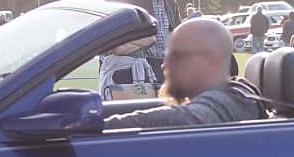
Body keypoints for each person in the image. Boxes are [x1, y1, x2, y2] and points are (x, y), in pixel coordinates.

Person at [104, 18, 262, 129]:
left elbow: (184, 118)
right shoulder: (239, 91)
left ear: (211, 60)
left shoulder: (229, 104)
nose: (164, 65)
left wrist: (99, 126)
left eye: (176, 56)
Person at [95, 0, 151, 97]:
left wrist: (130, 43)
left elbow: (152, 38)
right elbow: (119, 49)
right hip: (118, 76)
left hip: (139, 73)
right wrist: (139, 41)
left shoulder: (134, 15)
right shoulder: (105, 19)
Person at [131, 0, 181, 85]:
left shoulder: (171, 2)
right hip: (145, 63)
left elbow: (178, 30)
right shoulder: (134, 1)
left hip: (169, 63)